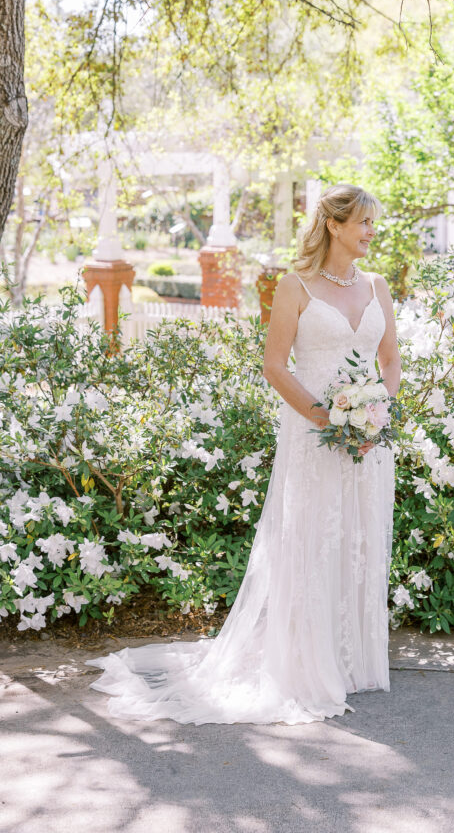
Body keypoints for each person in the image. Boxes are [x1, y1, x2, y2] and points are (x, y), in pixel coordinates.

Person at [88, 183, 401, 725]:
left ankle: (351, 662)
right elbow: (275, 366)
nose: (373, 232)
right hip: (312, 435)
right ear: (335, 225)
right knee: (313, 540)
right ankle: (307, 665)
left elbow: (390, 362)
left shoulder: (377, 287)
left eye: (374, 223)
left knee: (358, 538)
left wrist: (375, 413)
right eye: (365, 223)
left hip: (368, 442)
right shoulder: (295, 287)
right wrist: (328, 418)